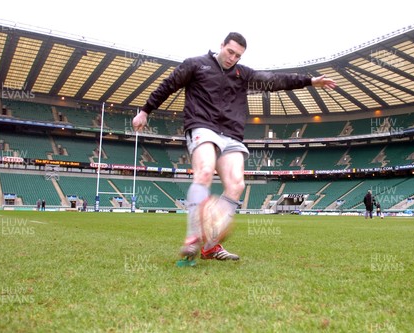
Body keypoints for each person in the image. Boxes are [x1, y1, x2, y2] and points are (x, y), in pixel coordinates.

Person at [132, 32, 336, 266]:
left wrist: (309, 81)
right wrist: (146, 110)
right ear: (221, 45)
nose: (232, 58)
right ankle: (193, 236)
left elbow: (274, 81)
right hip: (203, 126)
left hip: (231, 134)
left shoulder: (243, 74)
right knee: (205, 171)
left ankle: (210, 245)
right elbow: (167, 86)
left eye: (238, 55)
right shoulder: (195, 65)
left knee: (237, 185)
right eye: (230, 52)